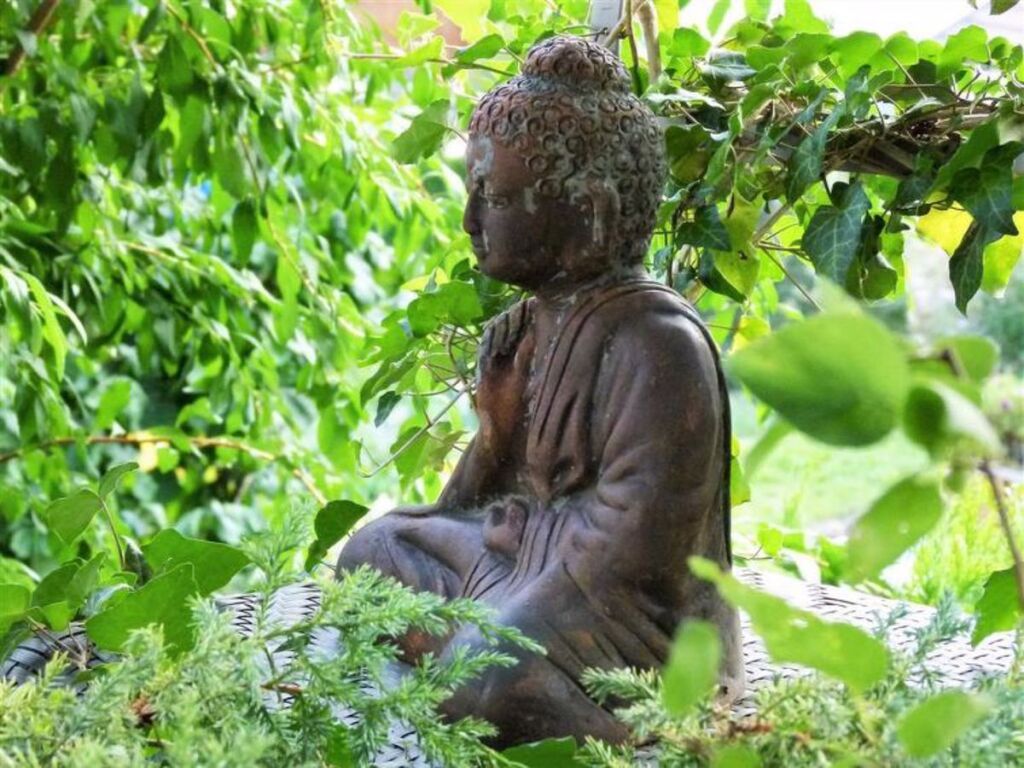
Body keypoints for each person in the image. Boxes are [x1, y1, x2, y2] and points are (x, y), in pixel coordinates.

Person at [338, 34, 743, 746]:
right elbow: (467, 509)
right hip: (524, 568)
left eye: (494, 198)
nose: (469, 221)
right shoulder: (530, 324)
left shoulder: (659, 346)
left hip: (629, 619)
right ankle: (489, 656)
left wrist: (518, 544)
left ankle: (623, 727)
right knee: (370, 555)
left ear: (589, 210)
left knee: (483, 677)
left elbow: (638, 551)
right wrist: (494, 434)